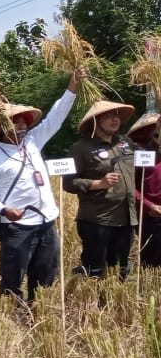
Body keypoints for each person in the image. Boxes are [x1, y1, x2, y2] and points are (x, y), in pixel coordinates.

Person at [0, 69, 85, 305]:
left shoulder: (34, 142)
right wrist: (5, 210)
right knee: (12, 276)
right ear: (1, 128)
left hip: (46, 221)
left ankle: (40, 312)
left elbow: (55, 117)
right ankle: (12, 316)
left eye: (23, 122)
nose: (22, 127)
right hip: (17, 227)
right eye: (15, 123)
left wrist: (72, 88)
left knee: (46, 273)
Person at [62, 100, 138, 279]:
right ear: (95, 121)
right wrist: (98, 184)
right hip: (98, 219)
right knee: (95, 270)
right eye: (108, 116)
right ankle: (92, 304)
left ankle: (116, 304)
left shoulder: (125, 143)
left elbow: (148, 161)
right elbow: (68, 183)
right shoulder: (81, 148)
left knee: (120, 269)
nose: (115, 119)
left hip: (127, 217)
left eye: (117, 115)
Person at [128, 111, 161, 267]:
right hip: (150, 216)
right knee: (152, 262)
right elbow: (129, 186)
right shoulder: (139, 153)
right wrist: (149, 205)